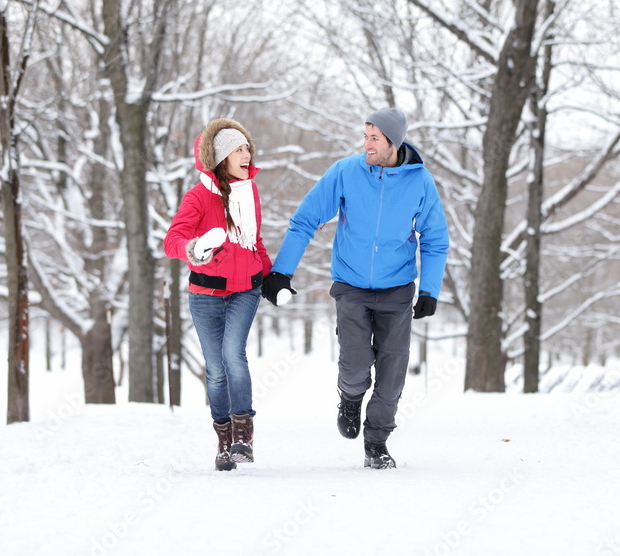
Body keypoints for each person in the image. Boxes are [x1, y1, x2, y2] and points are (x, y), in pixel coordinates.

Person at [262, 108, 449, 469]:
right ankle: (350, 397)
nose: (366, 144)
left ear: (393, 142)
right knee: (355, 361)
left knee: (393, 370)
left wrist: (430, 290)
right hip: (350, 285)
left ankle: (376, 442)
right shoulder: (346, 172)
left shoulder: (420, 181)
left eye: (374, 138)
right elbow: (306, 219)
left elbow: (436, 239)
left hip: (397, 288)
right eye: (365, 136)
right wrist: (281, 273)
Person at [164, 118, 271, 471]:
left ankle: (244, 436)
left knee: (233, 355)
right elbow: (172, 240)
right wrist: (193, 248)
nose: (247, 154)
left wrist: (273, 278)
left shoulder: (249, 191)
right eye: (239, 150)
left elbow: (254, 242)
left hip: (245, 290)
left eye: (247, 148)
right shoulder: (198, 198)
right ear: (222, 158)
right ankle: (224, 442)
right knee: (216, 371)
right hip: (206, 294)